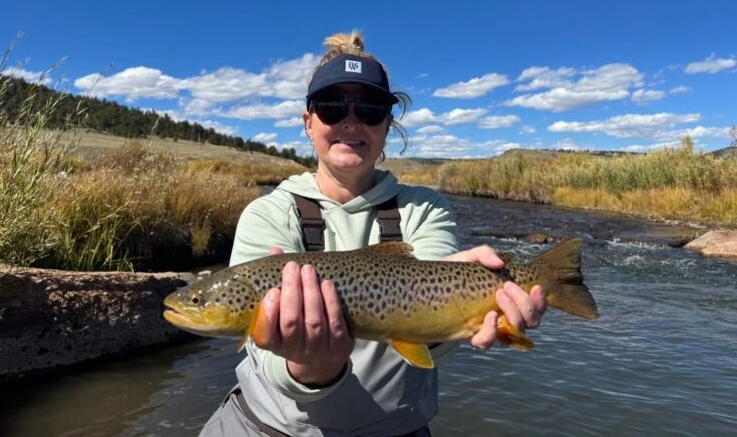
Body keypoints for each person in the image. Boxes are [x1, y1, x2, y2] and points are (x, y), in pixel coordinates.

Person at [199, 31, 547, 437]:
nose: (350, 121)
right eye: (331, 107)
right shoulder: (268, 212)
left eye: (370, 108)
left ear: (387, 124)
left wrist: (486, 304)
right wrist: (310, 367)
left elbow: (434, 320)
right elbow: (266, 358)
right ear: (308, 122)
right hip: (265, 428)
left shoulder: (425, 207)